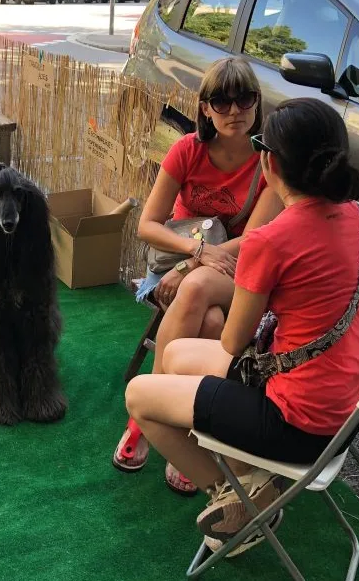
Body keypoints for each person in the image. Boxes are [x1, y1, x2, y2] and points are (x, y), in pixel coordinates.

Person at [125, 97, 359, 557]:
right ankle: (246, 475)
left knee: (139, 394)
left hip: (295, 422)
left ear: (270, 163)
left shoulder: (269, 240)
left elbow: (234, 342)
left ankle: (236, 498)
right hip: (343, 410)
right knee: (177, 356)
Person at [112, 57, 283, 496]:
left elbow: (255, 241)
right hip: (179, 263)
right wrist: (194, 251)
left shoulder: (268, 160)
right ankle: (189, 429)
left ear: (257, 103)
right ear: (205, 108)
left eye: (243, 99)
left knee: (198, 286)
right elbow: (147, 224)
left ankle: (146, 415)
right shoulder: (187, 149)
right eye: (220, 101)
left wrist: (196, 264)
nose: (233, 111)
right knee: (206, 322)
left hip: (234, 271)